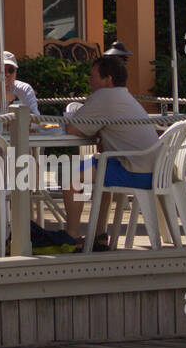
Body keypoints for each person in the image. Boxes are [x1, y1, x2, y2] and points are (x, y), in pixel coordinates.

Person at [62, 55, 159, 249]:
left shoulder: (104, 95)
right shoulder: (125, 96)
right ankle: (99, 235)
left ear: (108, 79)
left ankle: (72, 235)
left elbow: (72, 129)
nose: (89, 80)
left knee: (71, 178)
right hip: (154, 171)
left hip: (135, 172)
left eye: (93, 76)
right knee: (99, 170)